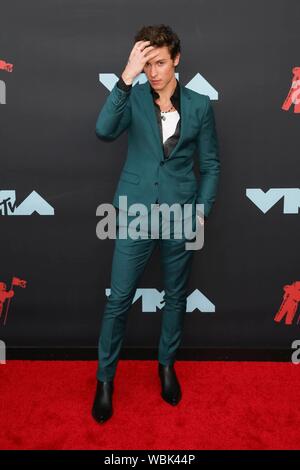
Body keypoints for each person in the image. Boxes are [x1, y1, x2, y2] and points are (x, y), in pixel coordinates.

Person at [92, 24, 220, 423]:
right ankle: (105, 381)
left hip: (181, 215)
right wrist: (126, 77)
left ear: (177, 60)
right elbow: (102, 131)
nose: (155, 72)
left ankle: (166, 366)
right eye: (148, 65)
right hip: (133, 214)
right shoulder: (131, 97)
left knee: (176, 296)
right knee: (118, 301)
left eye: (160, 63)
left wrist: (199, 211)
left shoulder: (199, 105)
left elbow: (212, 165)